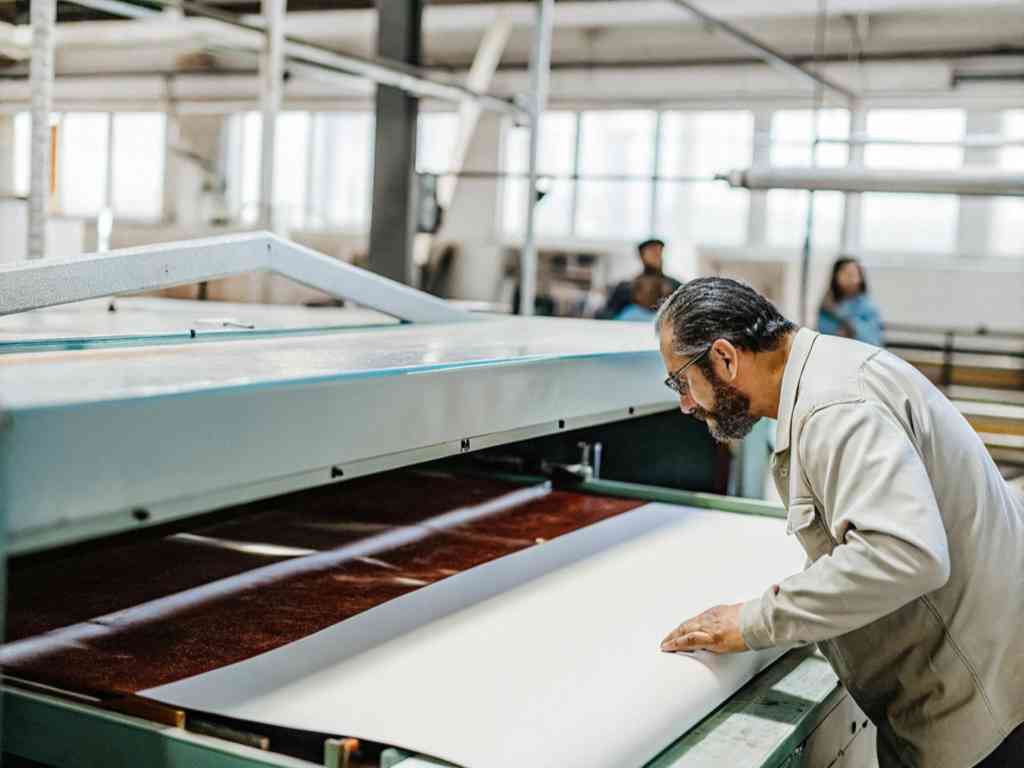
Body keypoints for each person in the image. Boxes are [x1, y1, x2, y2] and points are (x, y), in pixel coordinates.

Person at [654, 277, 1024, 768]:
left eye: (681, 381)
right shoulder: (832, 371)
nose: (684, 403)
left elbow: (905, 554)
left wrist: (753, 621)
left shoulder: (836, 407)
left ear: (724, 357)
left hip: (977, 712)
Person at [598, 238, 680, 319]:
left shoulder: (675, 286)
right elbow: (607, 314)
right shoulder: (625, 288)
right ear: (641, 255)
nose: (656, 255)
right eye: (652, 251)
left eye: (659, 251)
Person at [818, 257, 883, 346]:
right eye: (845, 273)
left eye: (853, 273)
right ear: (836, 276)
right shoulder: (826, 306)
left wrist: (843, 317)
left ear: (860, 277)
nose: (850, 277)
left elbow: (873, 340)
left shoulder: (868, 307)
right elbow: (824, 335)